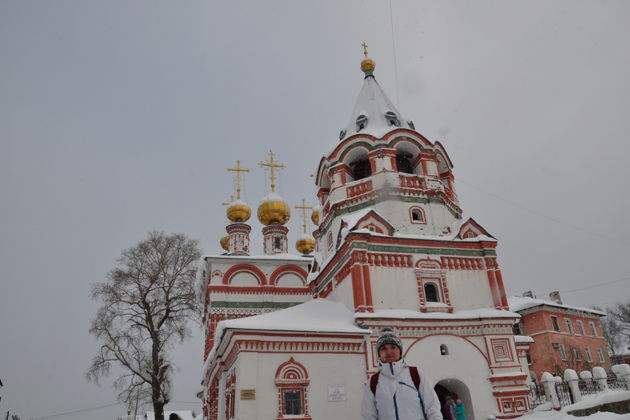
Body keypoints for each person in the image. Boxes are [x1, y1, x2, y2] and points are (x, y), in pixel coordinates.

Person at [361, 328, 443, 420]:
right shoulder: (373, 382)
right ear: (379, 354)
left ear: (400, 351)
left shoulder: (415, 374)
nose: (389, 352)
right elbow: (368, 416)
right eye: (384, 348)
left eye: (393, 347)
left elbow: (432, 407)